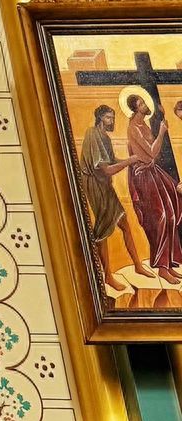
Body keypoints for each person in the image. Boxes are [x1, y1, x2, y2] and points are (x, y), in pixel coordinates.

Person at [76, 105, 144, 298]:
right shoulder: (92, 134)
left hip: (105, 185)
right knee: (103, 231)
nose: (111, 121)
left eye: (112, 117)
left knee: (124, 223)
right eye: (107, 118)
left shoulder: (104, 137)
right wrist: (130, 161)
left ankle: (138, 265)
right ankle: (106, 275)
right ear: (99, 118)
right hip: (95, 185)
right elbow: (106, 169)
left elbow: (112, 159)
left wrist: (132, 159)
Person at [125, 89, 182, 286]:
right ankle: (162, 268)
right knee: (161, 218)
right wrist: (161, 132)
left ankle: (170, 263)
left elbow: (153, 155)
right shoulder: (134, 127)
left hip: (152, 172)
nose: (145, 106)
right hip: (144, 177)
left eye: (144, 103)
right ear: (136, 108)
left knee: (172, 212)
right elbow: (150, 154)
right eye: (141, 104)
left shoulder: (143, 124)